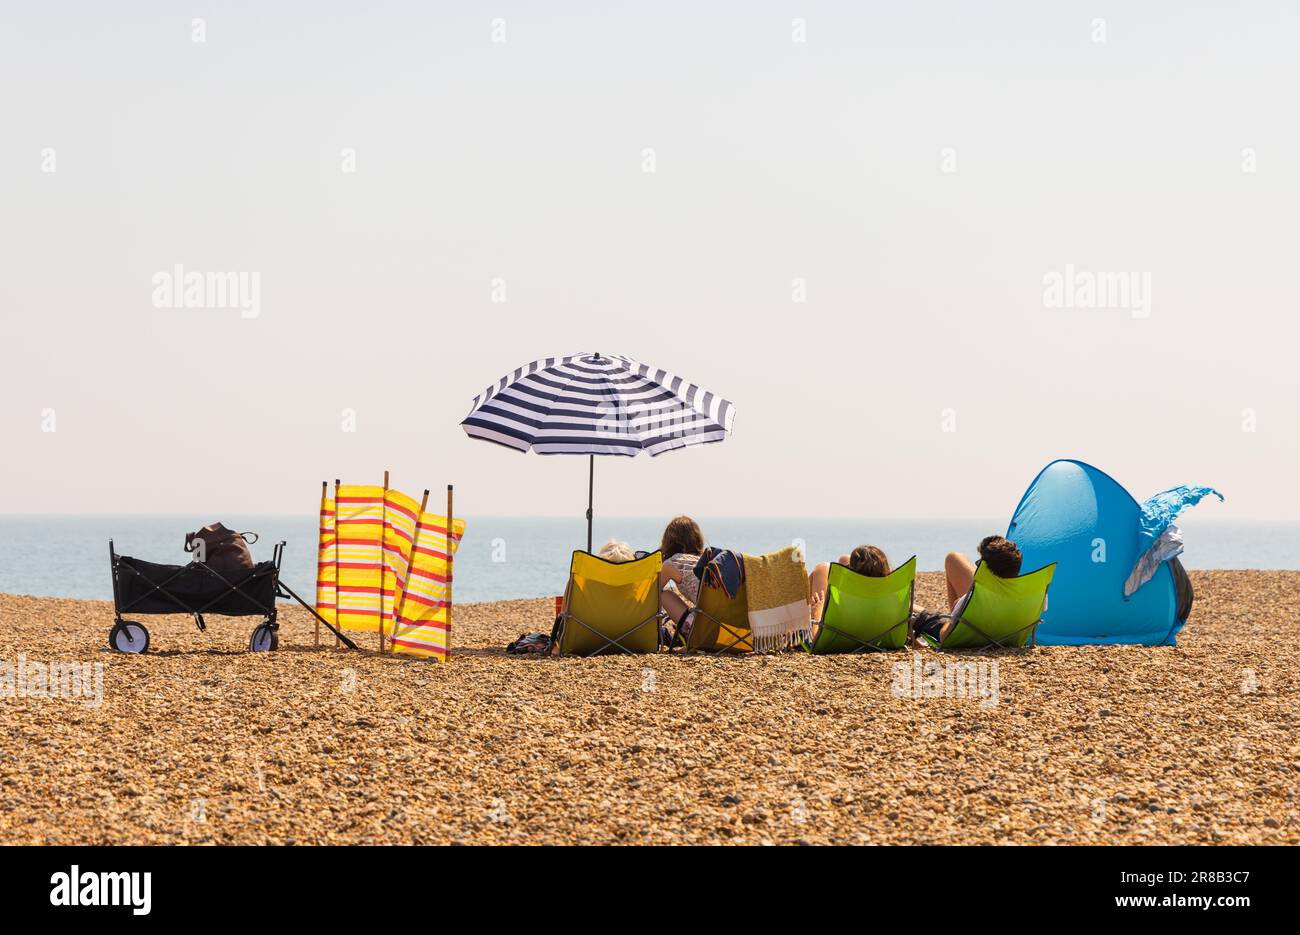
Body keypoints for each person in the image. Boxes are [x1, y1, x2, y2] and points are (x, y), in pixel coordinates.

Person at [912, 535, 1024, 645]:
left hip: (967, 635)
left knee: (921, 615)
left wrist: (955, 615)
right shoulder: (1027, 596)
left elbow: (944, 636)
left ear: (983, 570)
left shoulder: (970, 599)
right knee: (931, 614)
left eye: (979, 564)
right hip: (1005, 636)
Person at [807, 545, 892, 640]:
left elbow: (814, 638)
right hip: (881, 636)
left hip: (842, 637)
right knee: (845, 559)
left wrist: (818, 611)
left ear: (853, 577)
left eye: (849, 568)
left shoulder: (853, 604)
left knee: (822, 568)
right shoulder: (891, 596)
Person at [657, 515, 705, 642]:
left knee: (663, 595)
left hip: (706, 632)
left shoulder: (673, 563)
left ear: (670, 542)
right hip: (731, 628)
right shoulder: (704, 560)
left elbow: (650, 592)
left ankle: (691, 638)